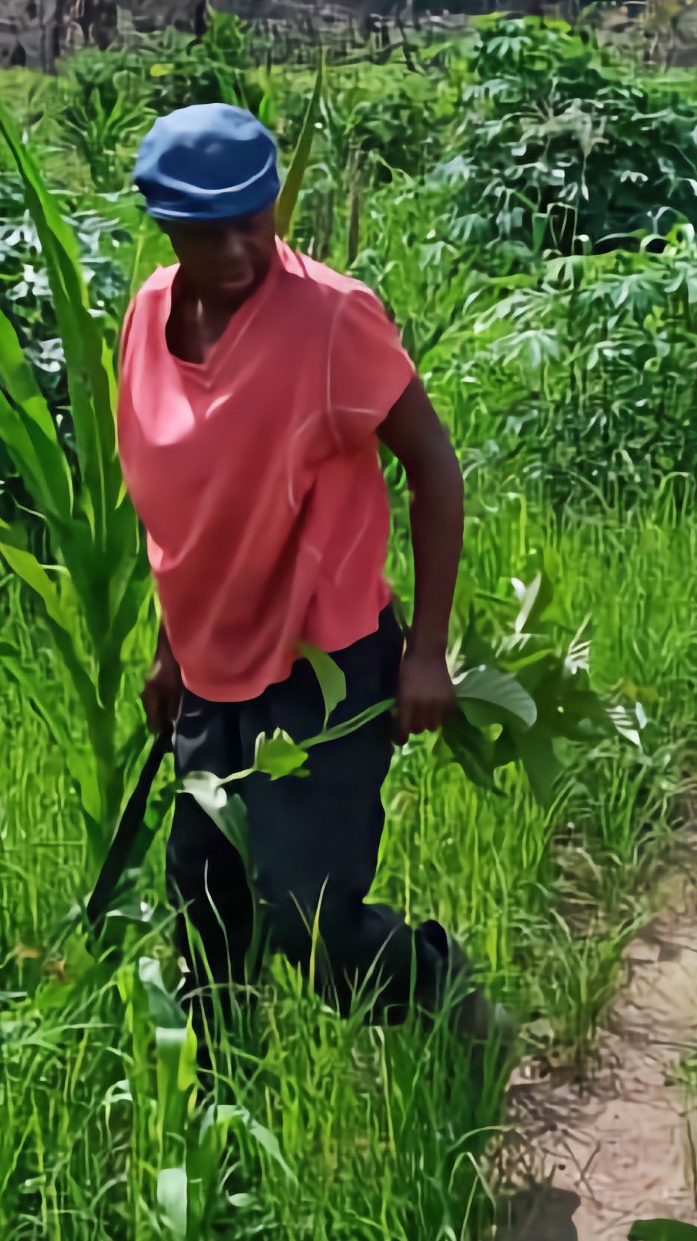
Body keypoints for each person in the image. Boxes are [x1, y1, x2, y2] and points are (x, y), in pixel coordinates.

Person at [115, 103, 483, 1033]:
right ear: (166, 226)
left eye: (257, 218)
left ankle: (439, 990)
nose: (242, 247)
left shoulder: (330, 318)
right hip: (208, 669)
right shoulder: (147, 317)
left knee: (304, 915)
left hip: (326, 661)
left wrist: (427, 652)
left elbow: (433, 468)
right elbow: (185, 511)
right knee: (205, 916)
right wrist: (170, 652)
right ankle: (223, 1142)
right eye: (210, 231)